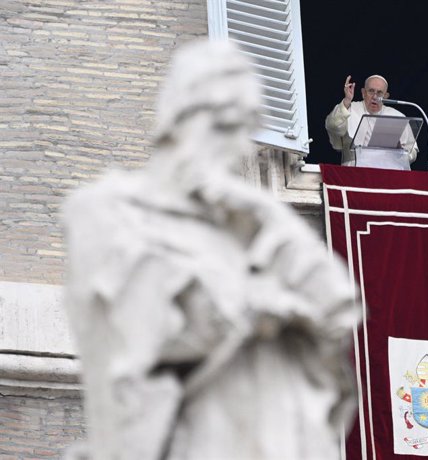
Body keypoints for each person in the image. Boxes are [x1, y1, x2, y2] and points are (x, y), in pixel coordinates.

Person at [62, 39, 359, 460]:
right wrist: (256, 307)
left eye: (245, 127)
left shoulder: (251, 222)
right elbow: (133, 343)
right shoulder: (108, 211)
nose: (235, 144)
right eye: (222, 123)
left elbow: (337, 304)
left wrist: (266, 218)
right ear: (179, 116)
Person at [325, 74, 419, 167]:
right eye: (371, 91)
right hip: (354, 172)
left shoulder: (397, 116)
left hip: (388, 172)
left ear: (386, 96)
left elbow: (412, 152)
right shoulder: (350, 108)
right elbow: (333, 126)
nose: (375, 96)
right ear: (363, 93)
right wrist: (346, 100)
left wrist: (400, 152)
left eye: (379, 93)